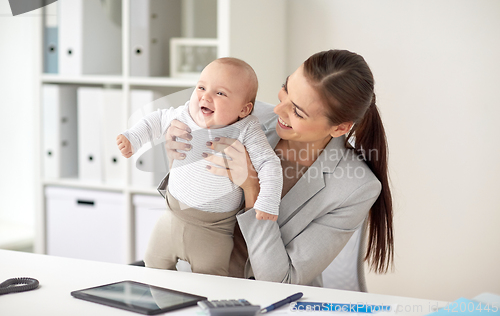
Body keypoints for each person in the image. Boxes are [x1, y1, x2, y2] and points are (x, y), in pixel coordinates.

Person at [163, 50, 394, 286]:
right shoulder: (242, 115)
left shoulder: (355, 187)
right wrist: (177, 152)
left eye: (297, 111)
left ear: (340, 128)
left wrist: (252, 187)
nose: (277, 110)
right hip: (194, 278)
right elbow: (184, 202)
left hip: (268, 301)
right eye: (285, 91)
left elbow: (281, 280)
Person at [116, 57, 283, 276]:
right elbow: (154, 121)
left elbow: (269, 164)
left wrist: (268, 201)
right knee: (153, 265)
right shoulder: (184, 114)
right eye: (201, 87)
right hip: (172, 216)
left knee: (211, 279)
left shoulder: (247, 129)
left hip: (214, 230)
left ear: (244, 109)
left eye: (220, 93)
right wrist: (133, 138)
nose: (205, 96)